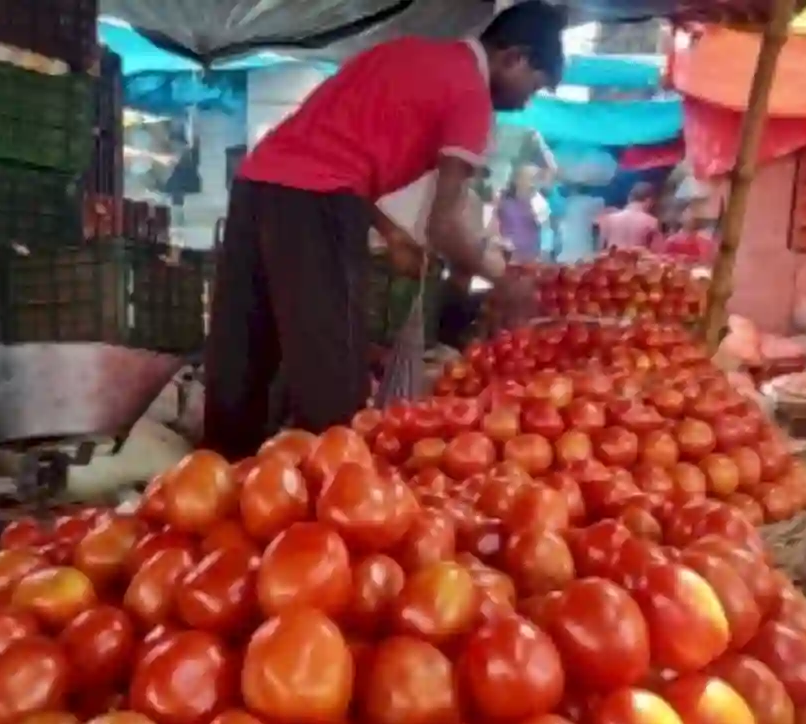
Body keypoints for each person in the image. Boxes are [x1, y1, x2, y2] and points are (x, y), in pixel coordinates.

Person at [202, 1, 565, 459]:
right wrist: (503, 279)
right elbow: (445, 223)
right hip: (317, 203)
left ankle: (218, 474)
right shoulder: (470, 95)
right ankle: (333, 493)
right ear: (514, 56)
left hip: (257, 184)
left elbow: (335, 147)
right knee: (331, 368)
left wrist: (391, 233)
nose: (524, 103)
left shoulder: (404, 52)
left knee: (243, 345)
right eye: (532, 88)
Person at [489, 164, 550, 262]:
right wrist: (497, 239)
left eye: (535, 180)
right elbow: (491, 220)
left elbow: (546, 232)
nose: (532, 184)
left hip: (530, 258)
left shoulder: (539, 203)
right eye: (529, 179)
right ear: (517, 180)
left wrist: (542, 254)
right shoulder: (501, 197)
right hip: (504, 255)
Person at [599, 182, 663, 250]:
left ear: (629, 198)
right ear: (649, 201)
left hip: (612, 259)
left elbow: (601, 250)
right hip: (638, 259)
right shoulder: (651, 222)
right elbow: (657, 252)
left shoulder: (608, 219)